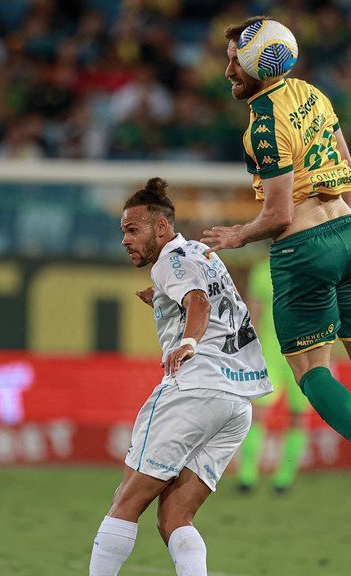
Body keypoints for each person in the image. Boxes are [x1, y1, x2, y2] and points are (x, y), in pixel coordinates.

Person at [201, 16, 351, 521]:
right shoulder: (313, 94)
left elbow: (280, 214)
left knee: (311, 372)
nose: (226, 69)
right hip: (350, 232)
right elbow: (348, 171)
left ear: (254, 63)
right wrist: (337, 227)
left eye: (232, 59)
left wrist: (237, 235)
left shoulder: (262, 124)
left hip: (302, 248)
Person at [90, 178, 272, 576]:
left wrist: (188, 340)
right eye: (123, 230)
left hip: (195, 388)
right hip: (236, 403)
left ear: (161, 227)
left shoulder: (170, 260)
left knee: (126, 502)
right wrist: (160, 299)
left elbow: (198, 301)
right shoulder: (202, 255)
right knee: (175, 517)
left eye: (132, 229)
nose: (125, 239)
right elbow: (204, 293)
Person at [236, 255, 310, 494]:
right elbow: (253, 314)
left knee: (298, 415)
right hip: (270, 354)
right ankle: (247, 475)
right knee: (258, 413)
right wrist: (248, 352)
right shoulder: (262, 271)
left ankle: (284, 479)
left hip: (304, 354)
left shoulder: (312, 267)